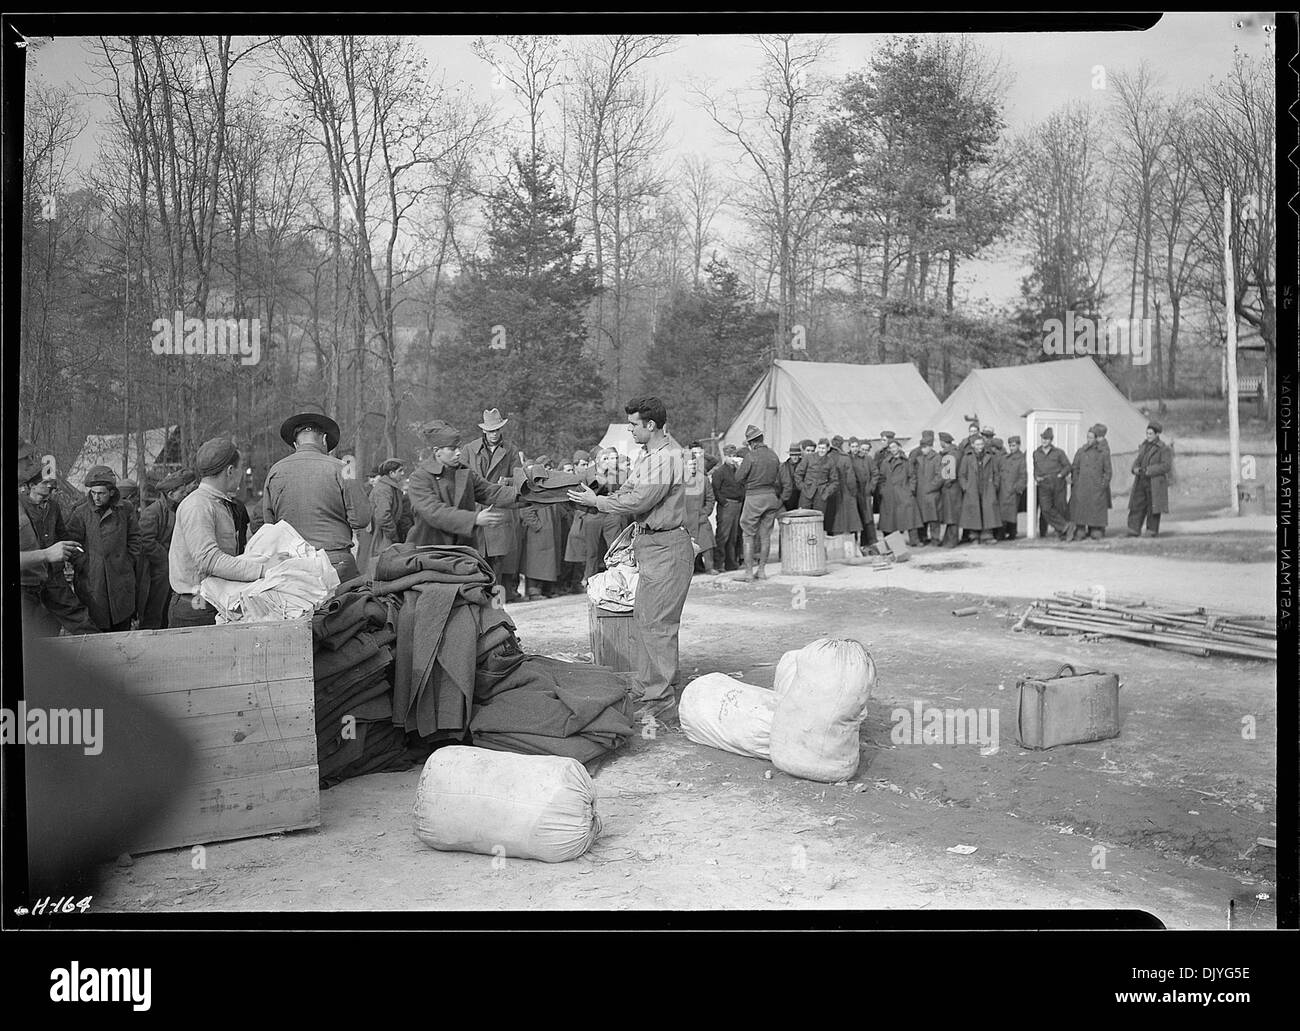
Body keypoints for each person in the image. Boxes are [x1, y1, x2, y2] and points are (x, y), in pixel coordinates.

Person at [567, 396, 692, 726]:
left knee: (659, 625)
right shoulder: (650, 455)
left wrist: (599, 502)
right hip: (651, 545)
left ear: (651, 425)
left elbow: (642, 498)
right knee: (646, 620)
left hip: (667, 547)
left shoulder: (668, 457)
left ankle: (662, 700)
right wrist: (601, 497)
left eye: (635, 425)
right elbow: (630, 490)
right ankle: (650, 687)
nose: (631, 430)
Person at [171, 438, 284, 628]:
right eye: (241, 469)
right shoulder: (198, 505)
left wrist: (263, 560)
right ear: (230, 471)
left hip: (212, 602)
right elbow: (210, 560)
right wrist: (264, 569)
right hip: (196, 607)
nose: (241, 475)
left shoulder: (217, 503)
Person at [263, 411, 373, 582]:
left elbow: (269, 524)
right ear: (323, 440)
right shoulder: (344, 468)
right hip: (335, 563)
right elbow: (362, 518)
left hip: (291, 565)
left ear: (295, 443)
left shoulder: (275, 471)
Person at [17, 439, 96, 636]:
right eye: (47, 485)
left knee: (76, 616)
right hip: (28, 579)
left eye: (53, 487)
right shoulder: (22, 507)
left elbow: (63, 534)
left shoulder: (53, 507)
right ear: (32, 485)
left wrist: (78, 558)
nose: (51, 490)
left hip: (53, 575)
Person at [407, 421, 519, 555]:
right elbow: (435, 512)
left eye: (459, 447)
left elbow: (492, 492)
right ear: (437, 451)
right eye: (452, 449)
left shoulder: (464, 472)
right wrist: (475, 519)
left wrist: (537, 493)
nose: (459, 453)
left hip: (463, 550)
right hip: (429, 551)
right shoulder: (420, 478)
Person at [65, 465, 141, 632]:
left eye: (101, 493)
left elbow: (134, 538)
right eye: (93, 493)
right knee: (97, 631)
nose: (96, 497)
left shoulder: (125, 509)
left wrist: (127, 561)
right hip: (93, 583)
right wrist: (85, 564)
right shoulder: (81, 513)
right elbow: (71, 544)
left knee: (121, 629)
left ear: (112, 492)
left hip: (121, 579)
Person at [460, 408, 525, 601]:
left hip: (499, 514)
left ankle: (498, 612)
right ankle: (478, 612)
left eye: (497, 429)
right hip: (476, 513)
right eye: (490, 430)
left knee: (498, 568)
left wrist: (508, 481)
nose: (494, 433)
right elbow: (459, 476)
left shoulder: (511, 450)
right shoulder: (469, 449)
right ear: (484, 431)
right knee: (476, 566)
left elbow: (520, 479)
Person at [135, 468, 196, 629]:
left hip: (175, 570)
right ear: (170, 494)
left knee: (169, 610)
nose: (185, 495)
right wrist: (168, 558)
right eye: (182, 492)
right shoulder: (152, 512)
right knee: (154, 611)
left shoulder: (178, 509)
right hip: (158, 573)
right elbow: (146, 540)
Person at [735, 425, 783, 580]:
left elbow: (738, 478)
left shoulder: (751, 456)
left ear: (752, 443)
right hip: (771, 497)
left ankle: (748, 572)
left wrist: (739, 466)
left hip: (754, 497)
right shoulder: (774, 455)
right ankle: (761, 570)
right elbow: (778, 478)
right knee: (766, 535)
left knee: (748, 534)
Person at [358, 458, 413, 575]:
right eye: (400, 471)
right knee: (379, 566)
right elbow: (383, 516)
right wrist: (393, 534)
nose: (403, 474)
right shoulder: (384, 489)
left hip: (383, 532)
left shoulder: (389, 487)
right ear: (391, 473)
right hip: (380, 534)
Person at [1127, 421, 1172, 537]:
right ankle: (1133, 529)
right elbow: (1137, 460)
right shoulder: (1144, 446)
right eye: (1147, 433)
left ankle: (1151, 530)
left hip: (1155, 482)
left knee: (1153, 507)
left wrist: (1149, 470)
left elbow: (1166, 466)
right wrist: (1135, 468)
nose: (1148, 436)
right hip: (1141, 481)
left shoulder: (1163, 448)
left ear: (1157, 434)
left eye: (1151, 434)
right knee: (1137, 504)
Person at [877, 437, 923, 546]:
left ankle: (914, 540)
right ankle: (891, 543)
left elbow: (912, 476)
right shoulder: (885, 462)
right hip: (890, 493)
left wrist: (910, 489)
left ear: (899, 447)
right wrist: (883, 491)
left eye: (894, 447)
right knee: (890, 520)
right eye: (890, 447)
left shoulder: (906, 461)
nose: (893, 449)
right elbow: (881, 478)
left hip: (904, 492)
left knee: (910, 517)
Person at [958, 435, 1001, 544]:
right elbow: (962, 474)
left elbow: (996, 473)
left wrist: (995, 485)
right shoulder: (967, 457)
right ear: (972, 445)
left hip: (988, 487)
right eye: (977, 444)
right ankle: (974, 536)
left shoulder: (990, 456)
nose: (980, 447)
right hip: (972, 488)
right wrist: (966, 487)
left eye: (981, 444)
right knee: (974, 511)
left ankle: (987, 535)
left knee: (988, 510)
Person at [1033, 427, 1072, 541]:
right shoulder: (1036, 453)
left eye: (1047, 439)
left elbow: (1068, 466)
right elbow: (1035, 468)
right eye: (1043, 438)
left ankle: (1062, 533)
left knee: (1060, 507)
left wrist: (1061, 475)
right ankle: (1066, 526)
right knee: (1045, 509)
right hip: (1043, 483)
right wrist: (1036, 477)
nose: (1044, 441)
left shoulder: (1059, 453)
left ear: (1051, 440)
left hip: (1057, 482)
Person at [711, 443, 745, 571]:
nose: (733, 458)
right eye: (730, 456)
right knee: (723, 536)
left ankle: (731, 563)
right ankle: (719, 563)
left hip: (737, 504)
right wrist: (724, 502)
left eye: (734, 455)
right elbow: (715, 489)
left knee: (733, 536)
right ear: (725, 456)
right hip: (727, 505)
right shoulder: (720, 472)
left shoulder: (738, 471)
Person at [683, 454, 718, 574]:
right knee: (686, 546)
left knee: (707, 542)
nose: (693, 467)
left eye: (694, 464)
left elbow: (710, 498)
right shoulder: (678, 481)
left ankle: (709, 567)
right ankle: (689, 570)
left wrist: (706, 512)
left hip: (700, 517)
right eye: (690, 464)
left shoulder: (703, 479)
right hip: (685, 519)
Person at [824, 434, 862, 540]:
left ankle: (832, 542)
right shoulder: (845, 458)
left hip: (830, 492)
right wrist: (853, 492)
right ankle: (851, 542)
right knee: (849, 519)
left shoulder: (826, 457)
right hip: (845, 492)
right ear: (842, 444)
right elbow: (850, 479)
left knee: (832, 518)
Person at [911, 431, 944, 546]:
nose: (923, 449)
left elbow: (940, 476)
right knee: (921, 517)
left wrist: (931, 487)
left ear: (930, 447)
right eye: (922, 447)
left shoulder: (937, 458)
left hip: (932, 493)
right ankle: (923, 537)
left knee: (934, 518)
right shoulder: (919, 459)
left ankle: (935, 539)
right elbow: (914, 474)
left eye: (925, 447)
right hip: (920, 493)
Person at [997, 436, 1028, 541]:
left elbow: (1023, 476)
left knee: (1011, 512)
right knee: (1002, 512)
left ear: (1019, 445)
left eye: (1014, 445)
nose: (1011, 447)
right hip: (1003, 489)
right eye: (1010, 445)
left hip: (1012, 490)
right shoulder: (1005, 458)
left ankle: (1012, 533)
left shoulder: (1021, 459)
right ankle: (1001, 533)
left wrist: (1017, 488)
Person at [937, 431, 963, 548]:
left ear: (943, 442)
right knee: (950, 515)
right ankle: (948, 539)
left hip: (950, 488)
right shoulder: (955, 452)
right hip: (953, 488)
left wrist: (943, 484)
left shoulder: (950, 455)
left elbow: (950, 475)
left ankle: (952, 541)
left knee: (951, 515)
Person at [777, 443, 803, 512]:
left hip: (801, 496)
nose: (795, 457)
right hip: (787, 497)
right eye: (793, 455)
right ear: (790, 455)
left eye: (796, 455)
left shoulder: (804, 465)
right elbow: (778, 483)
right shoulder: (783, 467)